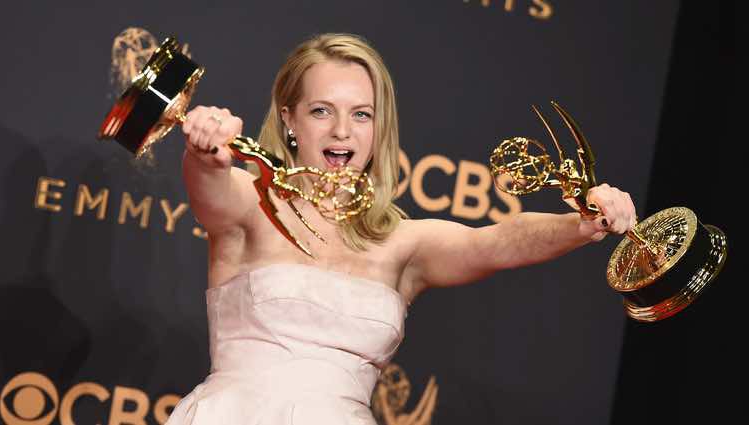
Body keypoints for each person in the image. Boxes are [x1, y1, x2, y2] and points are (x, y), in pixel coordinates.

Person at [165, 33, 636, 425]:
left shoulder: (402, 244)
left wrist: (582, 222)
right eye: (322, 110)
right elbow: (210, 185)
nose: (342, 131)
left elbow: (498, 242)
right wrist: (204, 151)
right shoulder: (252, 204)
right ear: (289, 119)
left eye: (361, 114)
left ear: (378, 126)